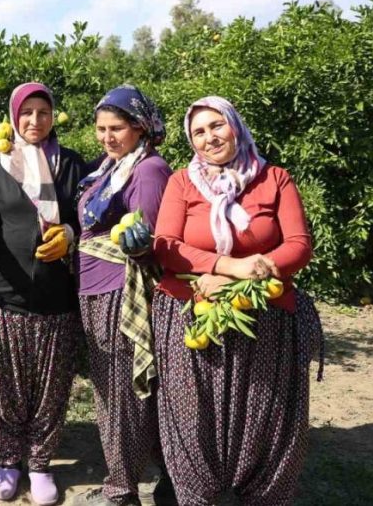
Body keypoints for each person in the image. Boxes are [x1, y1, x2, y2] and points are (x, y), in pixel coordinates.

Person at [151, 96, 323, 506]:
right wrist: (225, 266)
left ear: (235, 126)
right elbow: (166, 247)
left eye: (216, 126)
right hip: (193, 312)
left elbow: (299, 245)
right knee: (194, 418)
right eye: (198, 132)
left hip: (263, 317)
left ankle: (260, 492)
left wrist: (253, 270)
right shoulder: (182, 182)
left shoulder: (274, 178)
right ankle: (197, 493)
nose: (209, 138)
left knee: (264, 415)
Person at [0, 82, 86, 504]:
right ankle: (8, 461)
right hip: (0, 295)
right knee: (5, 387)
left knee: (51, 387)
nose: (35, 121)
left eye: (44, 112)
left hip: (56, 296)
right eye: (27, 113)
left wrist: (69, 233)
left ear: (54, 117)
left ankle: (39, 465)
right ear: (13, 116)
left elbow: (86, 217)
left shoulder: (71, 165)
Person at [72, 85, 173, 506]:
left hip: (119, 291)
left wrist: (137, 243)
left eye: (116, 128)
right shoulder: (110, 168)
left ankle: (121, 491)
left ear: (140, 128)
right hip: (95, 288)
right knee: (112, 389)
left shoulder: (147, 170)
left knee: (121, 394)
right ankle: (135, 478)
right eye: (100, 128)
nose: (106, 137)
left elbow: (148, 238)